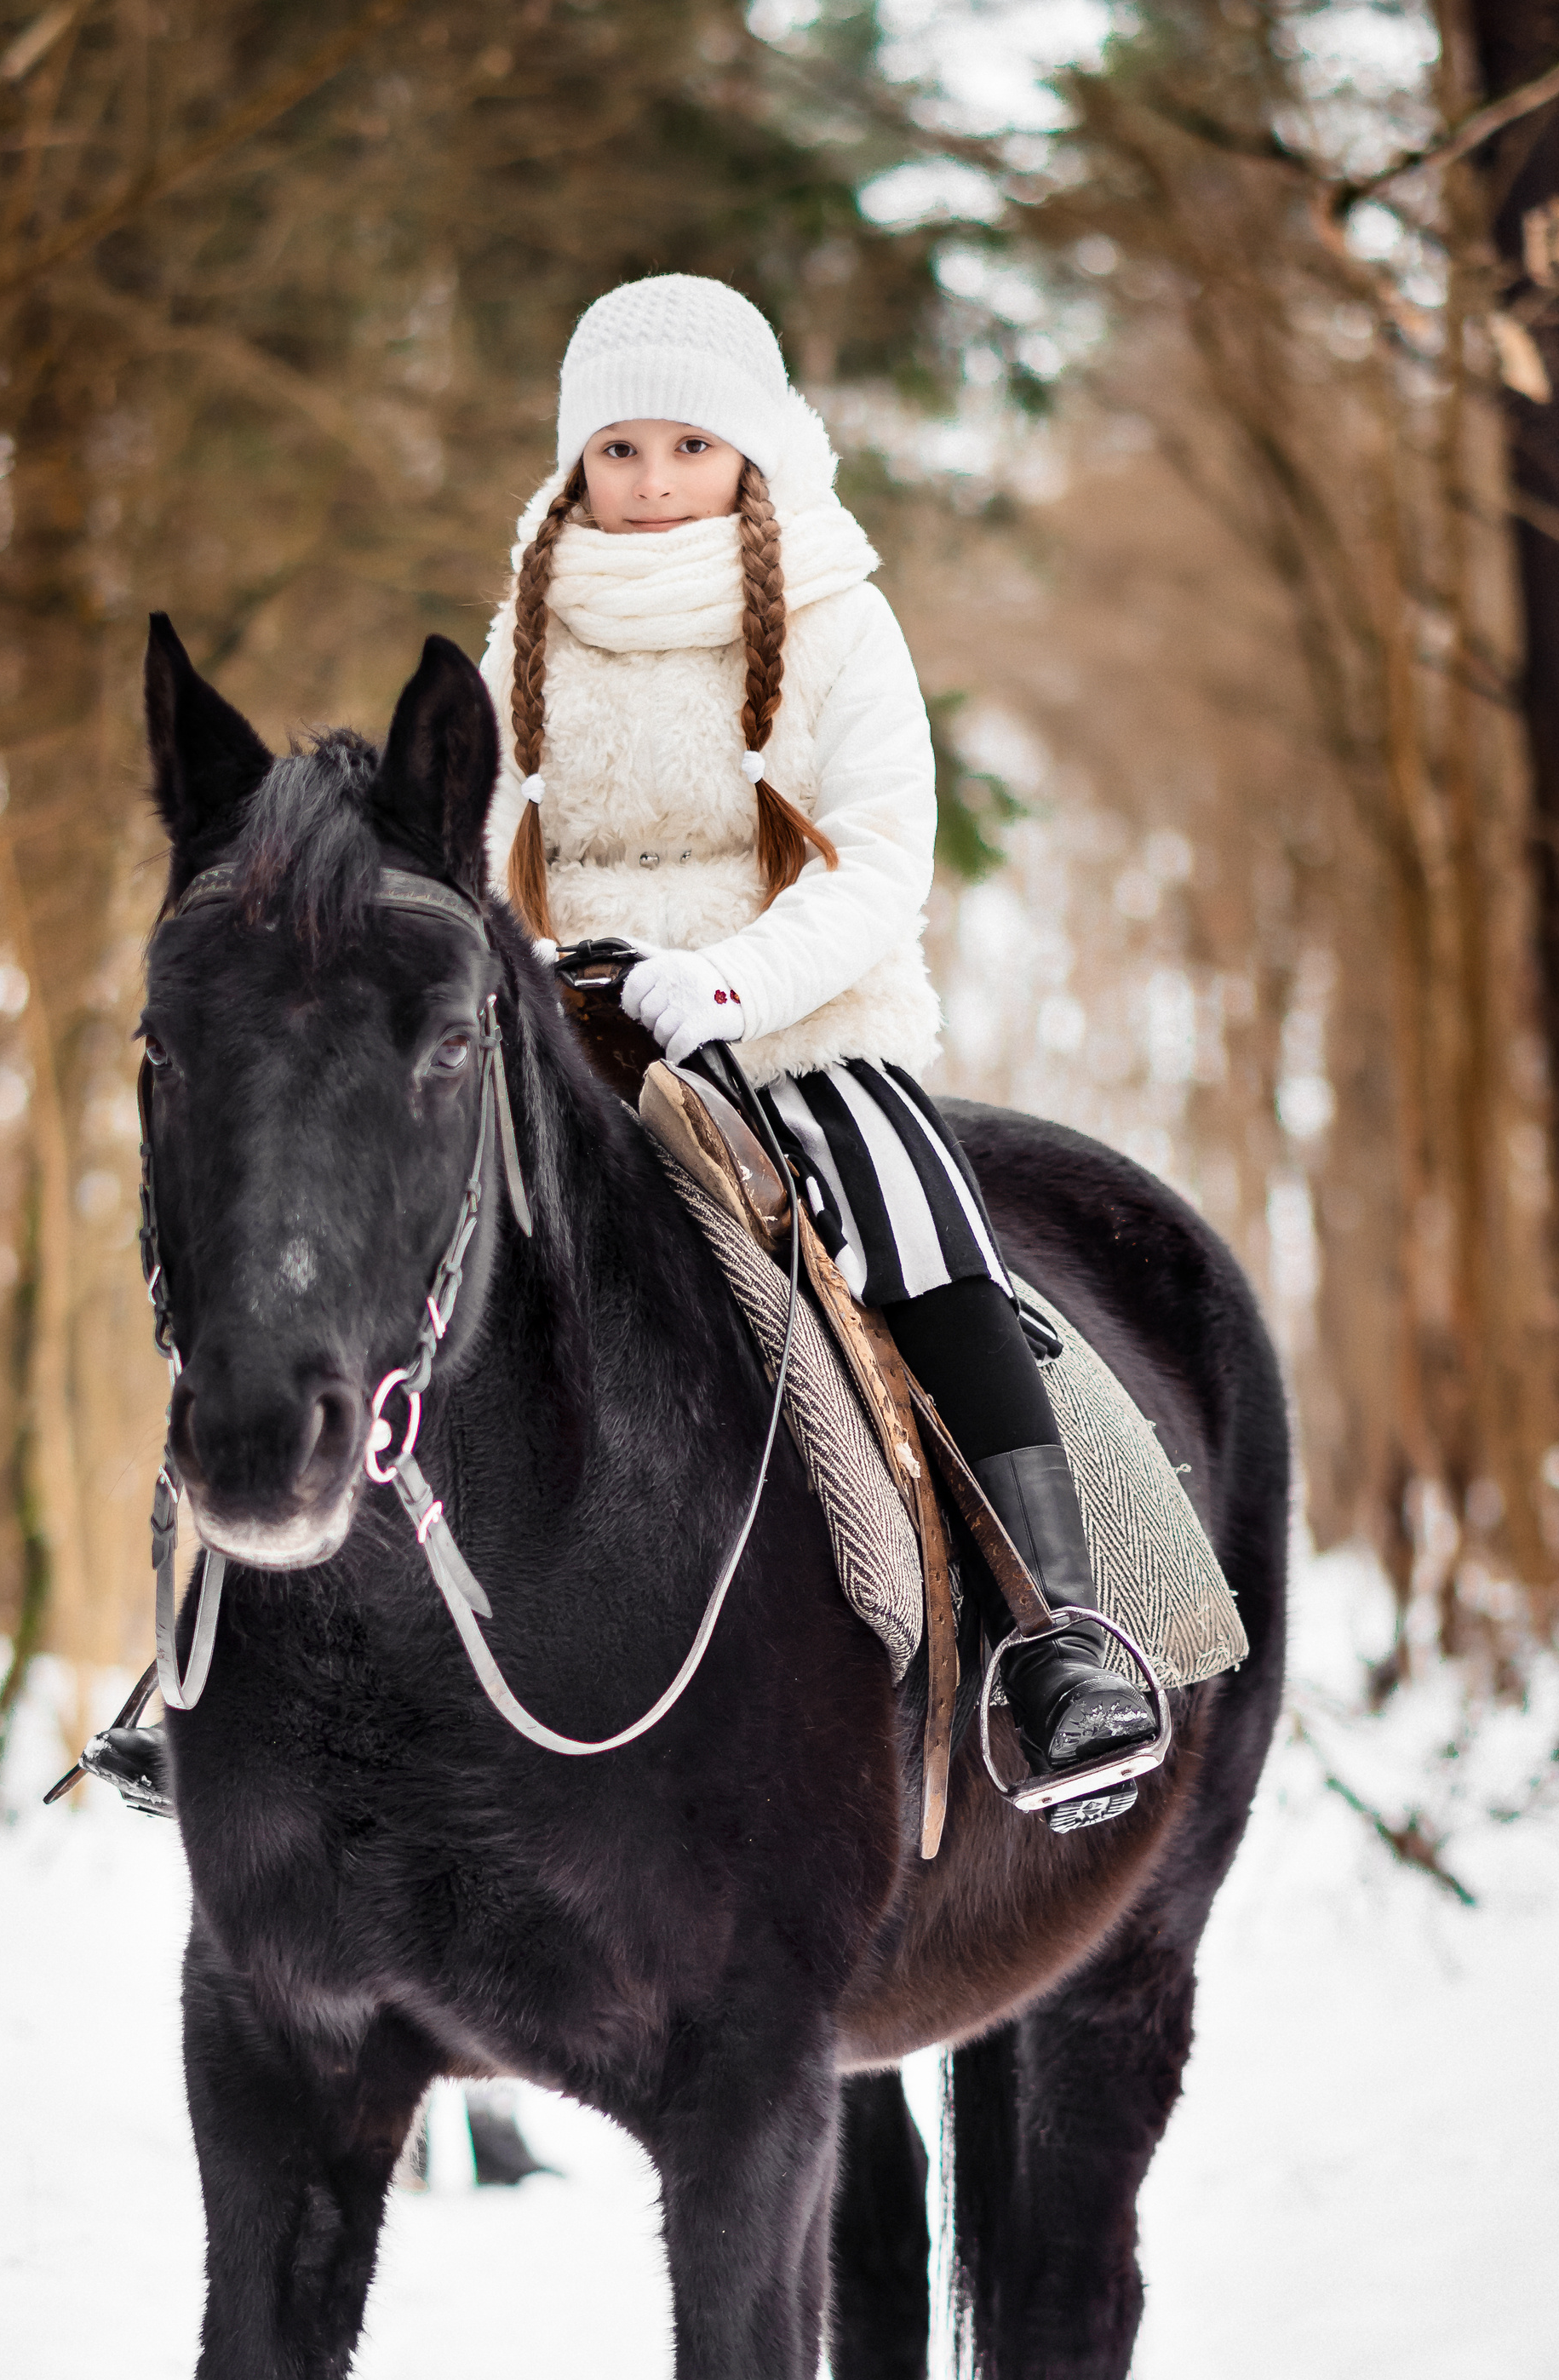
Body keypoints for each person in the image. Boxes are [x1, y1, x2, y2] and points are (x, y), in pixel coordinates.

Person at [481, 272, 1155, 1808]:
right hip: (555, 1038)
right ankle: (238, 1651)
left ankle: (1055, 1640)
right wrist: (512, 967)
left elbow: (879, 863)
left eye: (689, 450)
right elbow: (463, 839)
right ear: (575, 463)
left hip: (785, 1026)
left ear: (755, 455)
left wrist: (726, 985)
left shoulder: (840, 621)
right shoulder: (521, 626)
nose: (652, 487)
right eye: (620, 453)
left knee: (920, 1230)